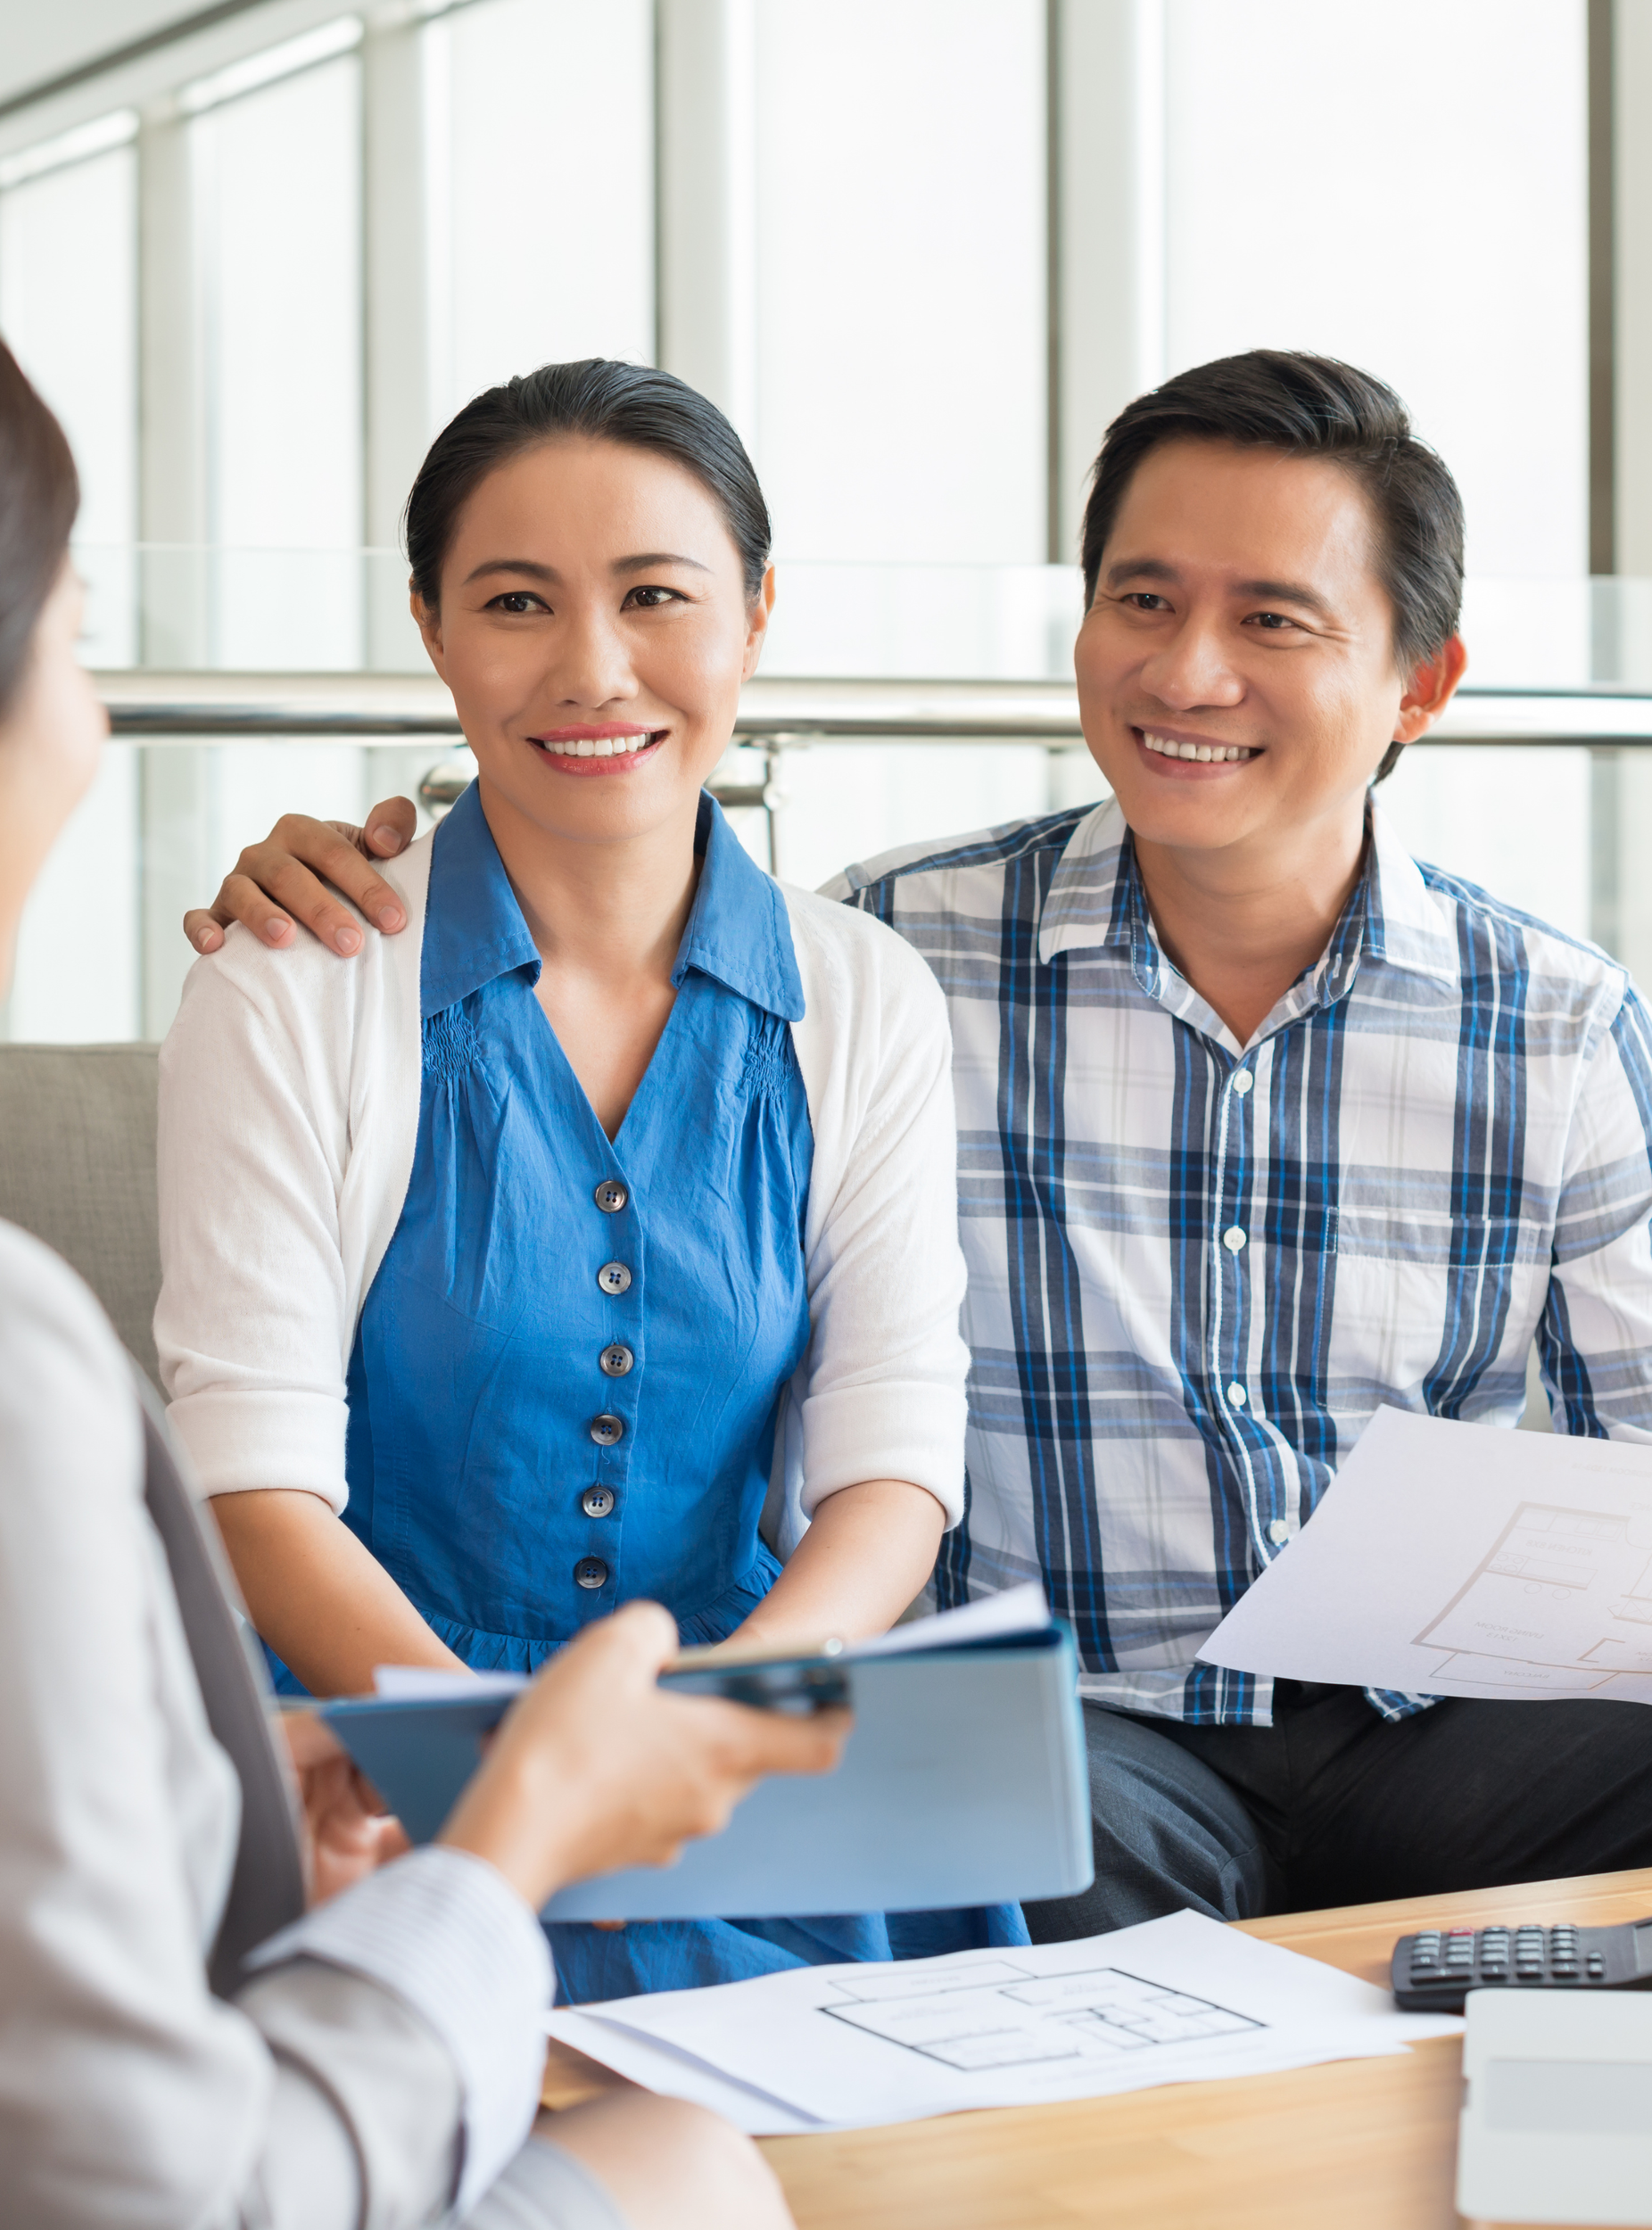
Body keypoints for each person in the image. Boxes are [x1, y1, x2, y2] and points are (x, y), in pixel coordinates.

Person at [195, 348, 1652, 1938]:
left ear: (1418, 684)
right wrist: (325, 858)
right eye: (1142, 600)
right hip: (1084, 1721)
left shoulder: (1562, 1029)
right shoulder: (889, 953)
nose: (1185, 672)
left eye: (1270, 619)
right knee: (998, 1839)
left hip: (1449, 1731)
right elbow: (601, 869)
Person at [0, 217, 842, 2230]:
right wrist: (506, 1847)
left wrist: (193, 1778)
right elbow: (139, 2193)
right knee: (697, 2167)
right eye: (74, 627)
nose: (92, 721)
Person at [153, 357, 1023, 2004]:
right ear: (428, 626)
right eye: (515, 601)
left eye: (655, 596)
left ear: (757, 614)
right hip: (372, 1757)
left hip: (740, 1745)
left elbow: (894, 1453)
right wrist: (527, 1784)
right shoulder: (288, 982)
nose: (591, 667)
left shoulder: (865, 995)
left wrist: (720, 1729)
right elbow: (253, 1479)